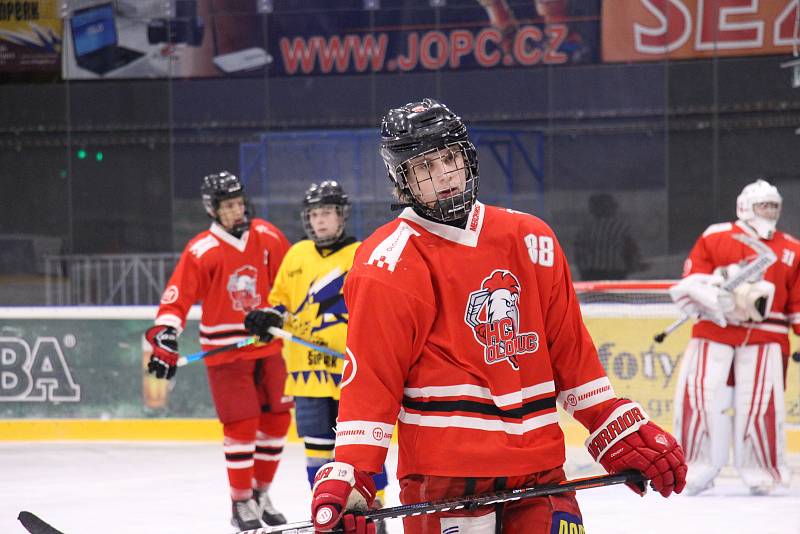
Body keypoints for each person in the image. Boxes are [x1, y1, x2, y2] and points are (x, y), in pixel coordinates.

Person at [308, 98, 687, 534]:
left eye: (449, 158)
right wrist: (354, 473)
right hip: (446, 483)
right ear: (403, 180)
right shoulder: (387, 260)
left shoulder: (531, 238)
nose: (444, 175)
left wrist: (611, 422)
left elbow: (571, 355)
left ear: (466, 156)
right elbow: (372, 381)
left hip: (542, 474)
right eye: (425, 167)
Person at [144, 171, 293, 530]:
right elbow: (176, 296)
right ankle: (240, 501)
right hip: (226, 351)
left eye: (239, 203)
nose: (236, 210)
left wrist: (280, 313)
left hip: (268, 345)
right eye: (228, 206)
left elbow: (291, 284)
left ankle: (260, 494)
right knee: (241, 425)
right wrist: (166, 331)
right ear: (213, 209)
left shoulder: (268, 235)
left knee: (277, 421)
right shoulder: (201, 250)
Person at [244, 181, 390, 531]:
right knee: (317, 450)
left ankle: (375, 511)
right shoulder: (296, 255)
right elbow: (280, 303)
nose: (320, 220)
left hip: (352, 375)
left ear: (341, 216)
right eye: (313, 214)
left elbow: (376, 309)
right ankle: (328, 512)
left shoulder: (362, 253)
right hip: (307, 374)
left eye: (326, 213)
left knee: (359, 450)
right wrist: (267, 318)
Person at [669, 178, 800, 496]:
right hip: (715, 329)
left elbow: (796, 300)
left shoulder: (792, 249)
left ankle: (761, 469)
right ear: (745, 206)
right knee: (698, 397)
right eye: (763, 205)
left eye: (774, 206)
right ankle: (694, 467)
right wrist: (716, 290)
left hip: (767, 335)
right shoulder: (716, 236)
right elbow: (691, 281)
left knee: (760, 404)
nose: (769, 212)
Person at [573, 193, 645, 280]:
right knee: (613, 293)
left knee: (593, 294)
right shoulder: (622, 227)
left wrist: (583, 272)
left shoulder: (585, 229)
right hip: (615, 273)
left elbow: (578, 254)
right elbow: (631, 249)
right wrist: (635, 265)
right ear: (613, 208)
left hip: (591, 273)